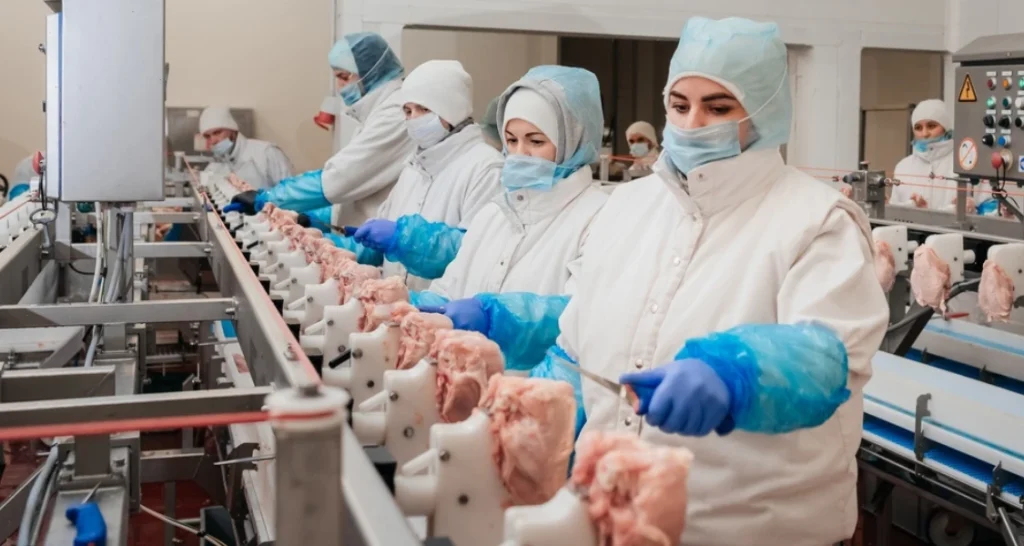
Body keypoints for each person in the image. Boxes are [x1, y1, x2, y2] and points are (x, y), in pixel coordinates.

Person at [449, 17, 888, 544]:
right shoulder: (628, 209)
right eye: (680, 105)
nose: (693, 122)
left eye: (719, 107)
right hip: (614, 522)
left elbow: (829, 354)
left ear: (765, 110)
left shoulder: (815, 221)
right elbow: (575, 352)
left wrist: (735, 375)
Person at [407, 66, 610, 370]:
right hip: (465, 393)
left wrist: (497, 317)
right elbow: (449, 290)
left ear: (573, 142)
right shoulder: (494, 214)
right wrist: (411, 306)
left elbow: (580, 319)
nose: (519, 153)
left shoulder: (599, 218)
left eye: (536, 141)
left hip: (536, 402)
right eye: (511, 141)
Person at [337, 60, 502, 289]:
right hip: (398, 311)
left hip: (440, 315)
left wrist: (403, 239)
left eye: (424, 109)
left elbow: (473, 253)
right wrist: (335, 248)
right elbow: (384, 240)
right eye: (408, 110)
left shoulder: (485, 168)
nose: (414, 119)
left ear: (452, 109)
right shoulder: (414, 166)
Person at [227, 32, 415, 226]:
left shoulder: (395, 113)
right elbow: (353, 189)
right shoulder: (375, 112)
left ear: (372, 71)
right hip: (362, 233)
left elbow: (340, 178)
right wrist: (311, 217)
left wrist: (267, 198)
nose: (339, 87)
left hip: (377, 237)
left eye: (343, 77)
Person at [889, 100, 968, 211]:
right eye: (918, 128)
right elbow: (894, 214)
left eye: (931, 126)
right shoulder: (903, 167)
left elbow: (992, 209)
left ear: (945, 127)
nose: (925, 133)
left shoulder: (965, 162)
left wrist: (973, 210)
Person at [199, 106, 294, 189]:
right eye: (207, 136)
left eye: (217, 132)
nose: (213, 140)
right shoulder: (216, 166)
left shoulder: (266, 152)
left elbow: (290, 194)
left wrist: (263, 201)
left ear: (232, 130)